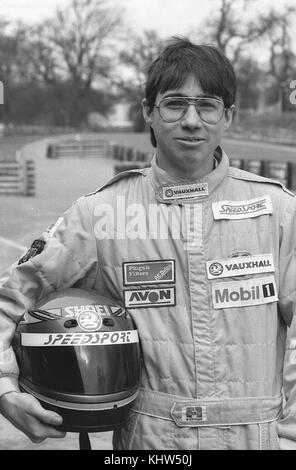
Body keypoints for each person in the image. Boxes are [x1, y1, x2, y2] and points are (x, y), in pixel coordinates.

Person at [0, 37, 296, 451]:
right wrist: (5, 390)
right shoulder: (101, 213)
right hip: (151, 443)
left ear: (227, 116)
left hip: (259, 439)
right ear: (148, 113)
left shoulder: (278, 211)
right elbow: (8, 300)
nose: (192, 120)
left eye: (207, 105)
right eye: (175, 104)